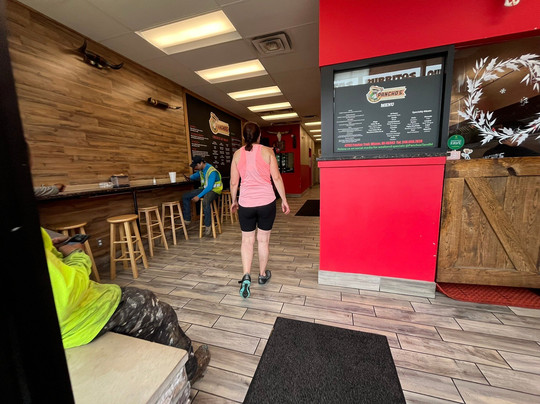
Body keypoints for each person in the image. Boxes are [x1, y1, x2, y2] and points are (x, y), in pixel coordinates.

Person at [41, 228, 210, 382]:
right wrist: (77, 255)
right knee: (160, 310)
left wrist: (51, 247)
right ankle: (190, 370)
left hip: (71, 315)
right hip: (76, 322)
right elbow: (65, 296)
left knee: (141, 302)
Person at [229, 122, 290, 298]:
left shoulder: (237, 154)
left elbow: (234, 182)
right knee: (263, 240)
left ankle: (246, 276)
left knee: (247, 241)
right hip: (266, 203)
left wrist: (234, 201)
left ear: (243, 137)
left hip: (246, 204)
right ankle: (262, 275)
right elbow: (276, 177)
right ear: (259, 135)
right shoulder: (268, 151)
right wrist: (284, 200)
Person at [182, 156, 223, 236]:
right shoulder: (201, 170)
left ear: (201, 163)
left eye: (196, 165)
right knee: (185, 196)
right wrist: (189, 177)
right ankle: (187, 219)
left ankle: (208, 225)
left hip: (214, 190)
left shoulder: (212, 171)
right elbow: (196, 175)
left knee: (205, 201)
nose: (195, 168)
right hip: (205, 189)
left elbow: (209, 187)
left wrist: (198, 196)